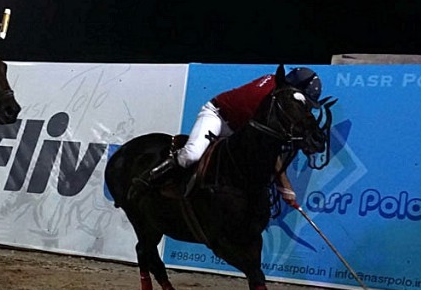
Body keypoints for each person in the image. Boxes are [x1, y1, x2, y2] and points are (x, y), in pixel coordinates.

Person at [130, 67, 323, 207]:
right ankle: (149, 179)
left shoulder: (279, 95)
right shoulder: (269, 98)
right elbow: (268, 148)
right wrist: (286, 186)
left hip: (240, 128)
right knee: (192, 154)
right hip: (218, 117)